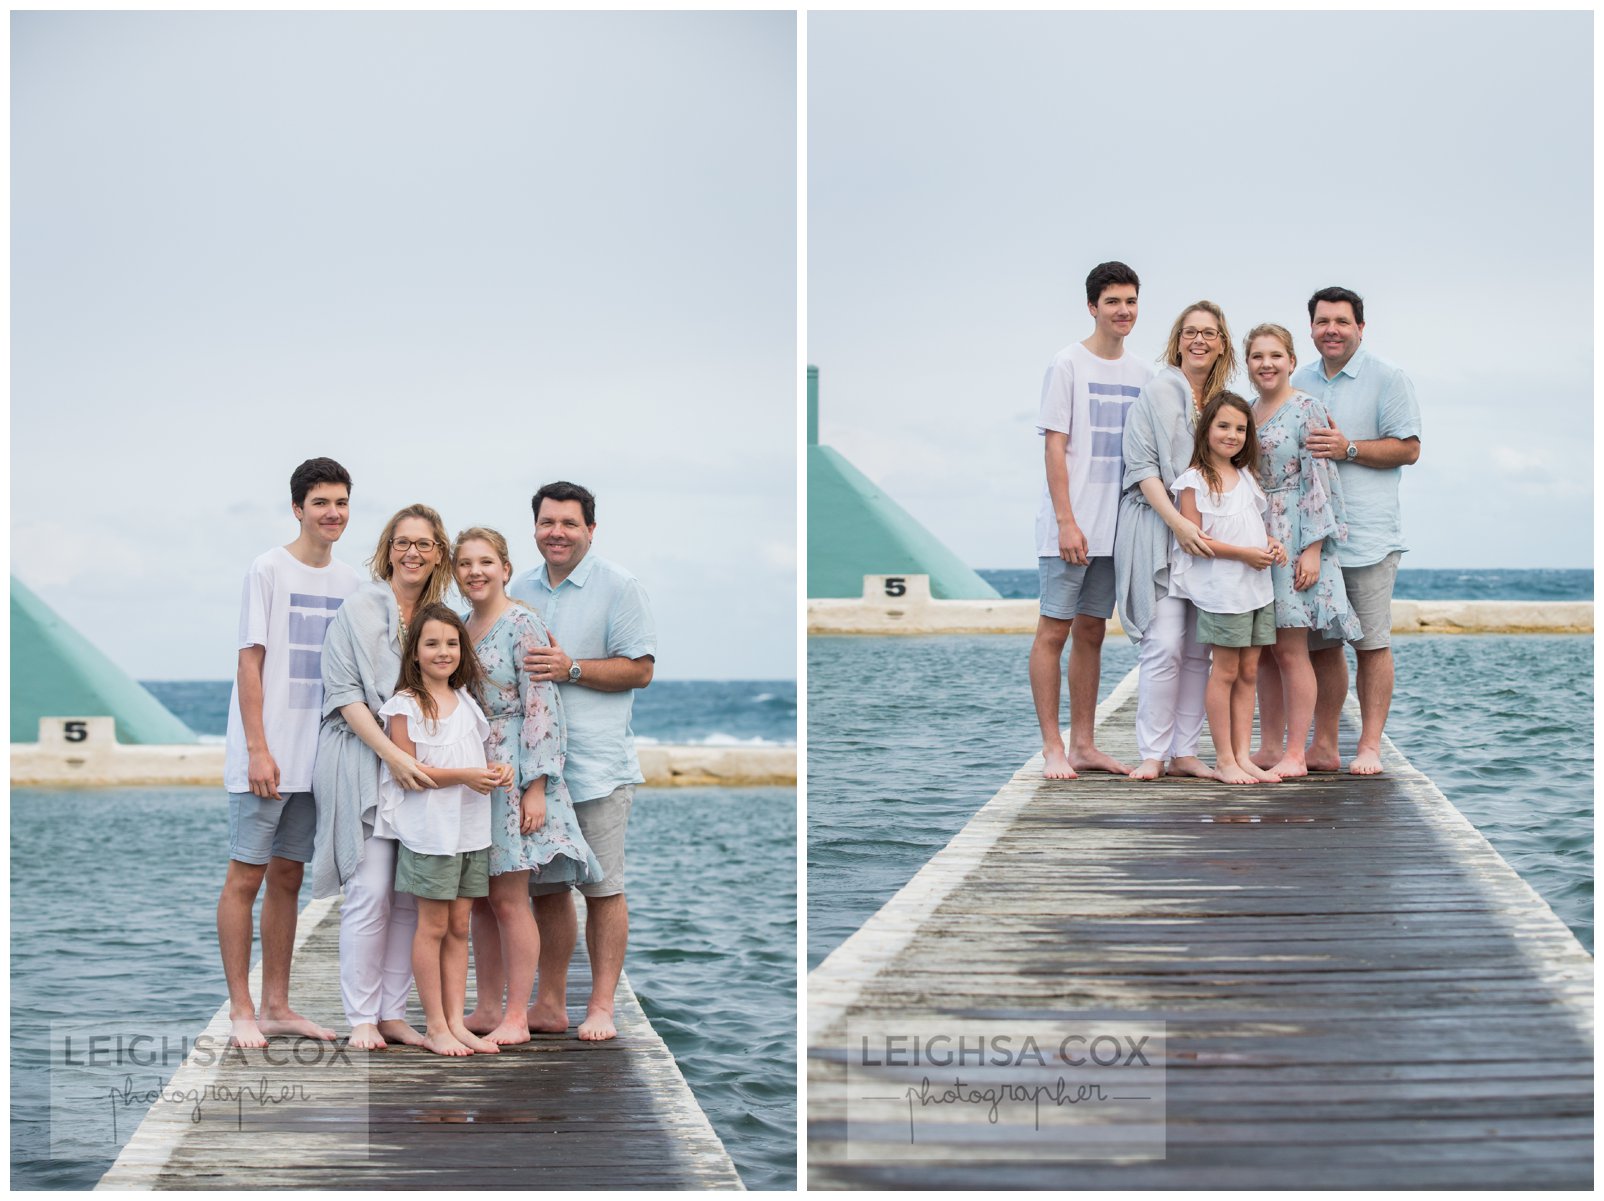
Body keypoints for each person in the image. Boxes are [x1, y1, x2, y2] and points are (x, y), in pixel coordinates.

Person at [216, 457, 360, 1047]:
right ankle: (242, 1009)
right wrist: (257, 749)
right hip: (267, 755)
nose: (333, 513)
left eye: (342, 503)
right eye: (321, 502)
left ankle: (278, 1004)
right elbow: (250, 662)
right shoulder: (268, 569)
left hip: (317, 757)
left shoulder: (352, 583)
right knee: (244, 877)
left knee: (288, 879)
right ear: (298, 508)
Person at [510, 481, 656, 1042]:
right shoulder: (516, 587)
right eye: (548, 523)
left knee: (603, 889)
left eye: (569, 523)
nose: (558, 533)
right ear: (536, 528)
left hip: (597, 767)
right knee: (546, 890)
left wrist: (571, 668)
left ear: (590, 530)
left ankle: (600, 1006)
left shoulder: (621, 587)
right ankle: (549, 1004)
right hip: (538, 774)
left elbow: (640, 669)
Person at [311, 503, 454, 1051]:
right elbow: (344, 696)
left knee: (411, 897)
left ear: (438, 552)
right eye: (402, 543)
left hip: (419, 767)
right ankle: (362, 1017)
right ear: (387, 550)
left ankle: (394, 1013)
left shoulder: (441, 617)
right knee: (370, 893)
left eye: (423, 543)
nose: (412, 553)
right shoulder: (359, 607)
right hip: (361, 758)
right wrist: (393, 756)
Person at [453, 527, 602, 1046]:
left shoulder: (522, 623)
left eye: (486, 561)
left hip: (516, 769)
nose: (476, 571)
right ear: (455, 573)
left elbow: (543, 706)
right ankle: (488, 1007)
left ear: (505, 568)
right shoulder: (462, 627)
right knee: (479, 899)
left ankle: (518, 1014)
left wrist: (536, 785)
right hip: (475, 769)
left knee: (512, 897)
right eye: (466, 563)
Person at [1028, 260, 1151, 779]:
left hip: (1116, 527)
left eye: (1130, 301)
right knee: (1052, 632)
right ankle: (1053, 747)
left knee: (1093, 632)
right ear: (1092, 307)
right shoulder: (1067, 364)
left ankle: (1085, 744)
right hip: (1071, 525)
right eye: (1113, 302)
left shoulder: (1143, 373)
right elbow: (1055, 446)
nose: (1123, 311)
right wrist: (1066, 521)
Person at [1291, 288, 1422, 775]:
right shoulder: (1296, 380)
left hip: (1367, 537)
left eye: (1342, 322)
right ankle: (1324, 745)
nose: (1332, 329)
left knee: (1371, 644)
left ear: (1360, 328)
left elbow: (1409, 449)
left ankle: (1369, 745)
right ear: (1310, 329)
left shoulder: (1389, 378)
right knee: (1322, 647)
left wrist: (1348, 449)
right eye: (1323, 321)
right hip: (1311, 542)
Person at [377, 605, 508, 1057]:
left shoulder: (467, 701)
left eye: (452, 643)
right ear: (414, 652)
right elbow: (407, 772)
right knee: (432, 927)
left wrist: (492, 772)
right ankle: (434, 1025)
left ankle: (457, 1021)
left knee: (459, 927)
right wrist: (468, 775)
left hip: (470, 831)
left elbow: (468, 760)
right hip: (431, 834)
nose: (443, 652)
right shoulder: (404, 706)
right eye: (431, 643)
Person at [1114, 302, 1235, 781]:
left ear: (1222, 342)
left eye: (1208, 333)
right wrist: (1179, 524)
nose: (1198, 340)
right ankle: (1152, 753)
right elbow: (1142, 471)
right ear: (1177, 340)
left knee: (1197, 650)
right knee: (1163, 643)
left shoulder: (1224, 401)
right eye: (1190, 332)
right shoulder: (1160, 390)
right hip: (1158, 525)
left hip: (1207, 533)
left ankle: (1186, 751)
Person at [1242, 324, 1363, 778]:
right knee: (1268, 648)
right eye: (1257, 356)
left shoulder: (1308, 408)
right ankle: (1270, 747)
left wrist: (1312, 549)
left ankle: (1298, 752)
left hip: (1296, 537)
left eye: (1275, 355)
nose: (1266, 364)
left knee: (1293, 648)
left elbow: (1321, 481)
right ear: (1248, 364)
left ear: (1292, 361)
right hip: (1258, 538)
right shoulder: (1248, 412)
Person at [1169, 394, 1287, 784]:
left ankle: (1242, 755)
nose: (1232, 435)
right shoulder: (1194, 481)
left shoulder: (1247, 477)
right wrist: (1243, 555)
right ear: (1206, 430)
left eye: (1240, 428)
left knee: (1249, 671)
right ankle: (1223, 759)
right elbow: (1197, 540)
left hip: (1256, 589)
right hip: (1223, 591)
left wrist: (1271, 545)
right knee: (1225, 671)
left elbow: (1253, 526)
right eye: (1223, 426)